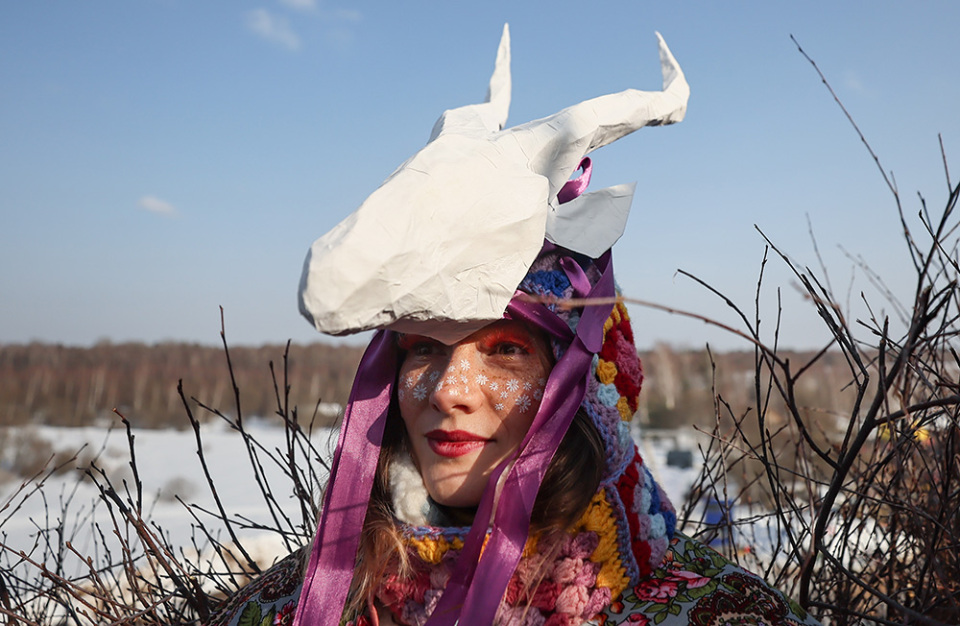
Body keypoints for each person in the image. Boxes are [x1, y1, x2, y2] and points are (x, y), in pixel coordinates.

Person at [207, 26, 819, 626]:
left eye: (504, 349)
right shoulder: (287, 608)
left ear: (586, 390)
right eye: (422, 349)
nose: (449, 391)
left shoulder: (725, 614)